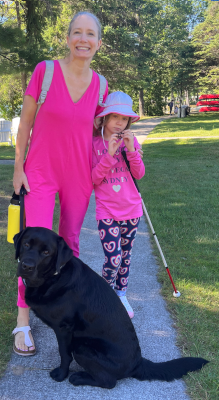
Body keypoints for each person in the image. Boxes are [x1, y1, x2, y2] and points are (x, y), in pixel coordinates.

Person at [11, 11, 110, 357]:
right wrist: (18, 166)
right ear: (68, 38)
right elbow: (24, 124)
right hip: (39, 171)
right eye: (77, 33)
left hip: (78, 174)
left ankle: (67, 311)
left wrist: (120, 139)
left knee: (69, 246)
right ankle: (23, 319)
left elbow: (99, 131)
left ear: (99, 42)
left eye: (90, 34)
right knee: (32, 245)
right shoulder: (46, 71)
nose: (84, 39)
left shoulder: (101, 84)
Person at [90, 91, 146, 319]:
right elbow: (94, 179)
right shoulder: (94, 144)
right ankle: (105, 296)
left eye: (124, 119)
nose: (120, 123)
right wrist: (110, 155)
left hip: (131, 210)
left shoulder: (130, 142)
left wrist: (130, 149)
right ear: (104, 118)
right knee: (112, 258)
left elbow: (139, 174)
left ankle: (121, 294)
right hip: (107, 211)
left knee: (125, 256)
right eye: (115, 118)